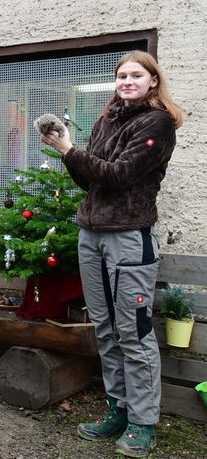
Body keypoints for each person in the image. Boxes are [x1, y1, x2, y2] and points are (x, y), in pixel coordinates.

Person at [40, 51, 183, 458]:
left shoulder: (156, 123)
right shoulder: (108, 118)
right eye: (121, 75)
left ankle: (143, 423)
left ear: (153, 80)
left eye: (136, 75)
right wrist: (67, 152)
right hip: (92, 233)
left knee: (134, 332)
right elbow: (89, 179)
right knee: (104, 328)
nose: (127, 81)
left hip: (129, 237)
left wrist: (69, 148)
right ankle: (117, 411)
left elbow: (119, 176)